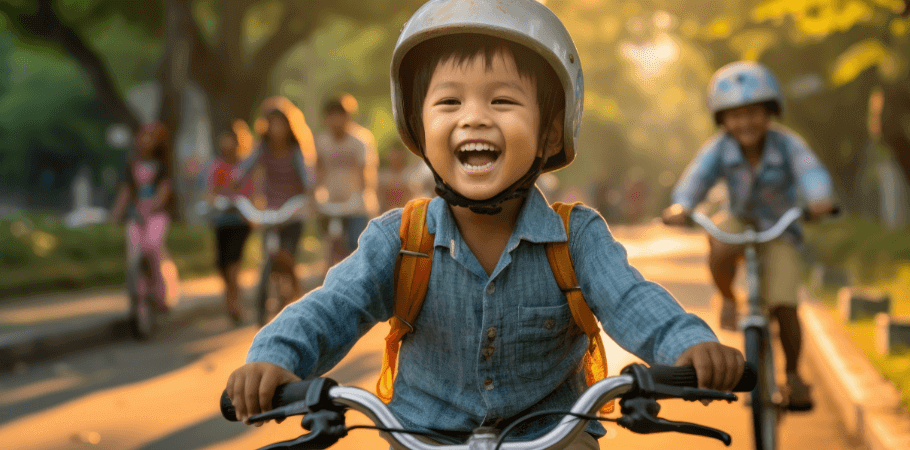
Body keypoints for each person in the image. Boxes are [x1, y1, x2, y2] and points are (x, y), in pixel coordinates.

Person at [226, 1, 744, 448]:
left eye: (502, 100)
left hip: (556, 438)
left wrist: (687, 345)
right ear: (419, 129)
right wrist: (275, 358)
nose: (473, 117)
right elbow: (333, 305)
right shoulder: (400, 240)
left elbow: (632, 300)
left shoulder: (576, 239)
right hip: (420, 436)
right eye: (449, 102)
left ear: (547, 135)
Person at [661, 61, 836, 411]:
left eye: (754, 112)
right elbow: (696, 177)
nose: (745, 123)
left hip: (781, 225)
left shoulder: (787, 144)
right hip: (739, 219)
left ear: (770, 112)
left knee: (786, 303)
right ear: (722, 119)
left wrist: (819, 200)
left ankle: (794, 375)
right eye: (735, 115)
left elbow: (810, 170)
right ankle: (727, 298)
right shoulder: (719, 148)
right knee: (721, 239)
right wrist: (682, 206)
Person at [233, 96, 316, 301]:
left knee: (287, 255)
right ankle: (268, 290)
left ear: (289, 125)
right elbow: (243, 170)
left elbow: (307, 179)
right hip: (270, 211)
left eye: (280, 123)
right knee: (268, 253)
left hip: (292, 211)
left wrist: (311, 194)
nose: (275, 128)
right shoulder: (262, 148)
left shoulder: (296, 151)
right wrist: (233, 185)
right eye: (271, 123)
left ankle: (296, 293)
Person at [109, 121, 180, 312]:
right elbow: (125, 191)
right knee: (133, 252)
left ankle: (162, 291)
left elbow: (165, 188)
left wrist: (154, 204)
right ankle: (138, 293)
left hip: (156, 215)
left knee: (153, 247)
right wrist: (115, 214)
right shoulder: (131, 162)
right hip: (135, 216)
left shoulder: (164, 163)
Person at [313, 98, 379, 261]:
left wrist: (362, 196)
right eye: (332, 116)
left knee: (355, 248)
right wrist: (315, 196)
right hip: (330, 204)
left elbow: (365, 173)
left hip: (355, 205)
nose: (336, 120)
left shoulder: (360, 140)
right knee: (329, 247)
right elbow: (318, 172)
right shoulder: (322, 141)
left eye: (340, 115)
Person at [205, 120, 255, 324]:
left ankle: (234, 302)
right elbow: (211, 192)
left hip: (241, 220)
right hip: (221, 220)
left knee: (234, 262)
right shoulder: (217, 166)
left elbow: (252, 190)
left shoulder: (246, 165)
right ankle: (232, 293)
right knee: (221, 263)